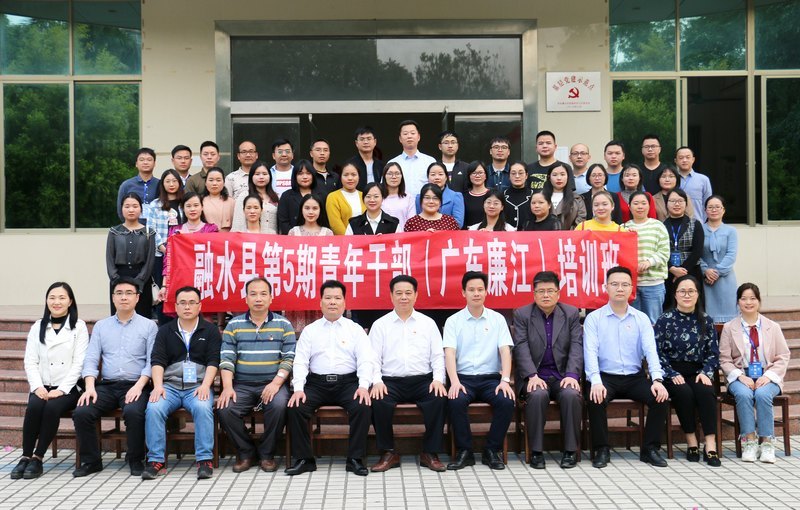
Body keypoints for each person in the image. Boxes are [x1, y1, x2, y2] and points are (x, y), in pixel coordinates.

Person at [285, 280, 375, 476]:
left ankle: (355, 459)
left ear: (344, 302)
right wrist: (298, 388)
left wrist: (363, 386)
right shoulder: (311, 330)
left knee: (362, 405)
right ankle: (305, 459)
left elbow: (365, 360)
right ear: (321, 302)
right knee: (296, 406)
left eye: (337, 298)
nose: (332, 302)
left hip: (348, 383)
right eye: (328, 298)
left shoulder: (355, 329)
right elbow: (301, 361)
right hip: (316, 384)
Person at [584, 266, 669, 469]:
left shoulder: (641, 318)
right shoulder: (594, 318)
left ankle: (650, 449)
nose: (620, 288)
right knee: (595, 398)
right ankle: (602, 449)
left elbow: (651, 351)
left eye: (624, 284)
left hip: (634, 377)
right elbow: (590, 352)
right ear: (606, 287)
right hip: (605, 377)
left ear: (632, 288)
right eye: (614, 284)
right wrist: (595, 381)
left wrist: (657, 379)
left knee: (660, 398)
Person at [72, 278, 157, 477]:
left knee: (134, 412)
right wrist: (89, 387)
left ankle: (135, 459)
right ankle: (92, 461)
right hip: (107, 386)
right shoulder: (102, 326)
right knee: (82, 412)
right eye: (119, 293)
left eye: (128, 293)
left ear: (137, 298)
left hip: (136, 384)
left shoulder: (149, 326)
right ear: (113, 298)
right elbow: (91, 359)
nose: (123, 297)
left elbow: (151, 362)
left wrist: (139, 386)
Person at [368, 275, 447, 472]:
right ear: (391, 296)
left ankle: (430, 452)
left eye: (408, 293)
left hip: (423, 380)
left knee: (438, 397)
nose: (403, 297)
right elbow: (372, 358)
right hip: (390, 381)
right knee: (378, 400)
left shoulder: (428, 323)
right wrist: (376, 381)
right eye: (399, 293)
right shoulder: (380, 325)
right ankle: (388, 452)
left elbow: (438, 355)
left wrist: (438, 379)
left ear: (416, 295)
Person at [217, 278, 296, 473]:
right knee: (225, 408)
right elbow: (227, 359)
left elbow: (288, 358)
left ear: (271, 298)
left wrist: (276, 383)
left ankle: (267, 454)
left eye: (263, 294)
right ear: (246, 298)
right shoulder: (234, 325)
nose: (258, 298)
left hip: (273, 383)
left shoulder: (283, 324)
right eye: (253, 294)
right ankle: (246, 452)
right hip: (242, 384)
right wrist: (227, 387)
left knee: (279, 405)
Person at [143, 286, 221, 480]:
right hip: (169, 386)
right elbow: (157, 361)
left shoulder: (210, 330)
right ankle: (156, 460)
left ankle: (204, 460)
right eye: (183, 303)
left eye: (192, 303)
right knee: (154, 408)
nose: (187, 307)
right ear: (175, 306)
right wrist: (158, 386)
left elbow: (213, 361)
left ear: (199, 306)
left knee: (203, 408)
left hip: (198, 385)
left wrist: (206, 386)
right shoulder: (165, 331)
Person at [13, 283, 89, 480]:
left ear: (70, 301)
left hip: (69, 388)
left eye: (62, 298)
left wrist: (61, 389)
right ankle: (25, 456)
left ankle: (38, 457)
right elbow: (30, 361)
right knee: (34, 407)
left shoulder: (79, 326)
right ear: (46, 301)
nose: (57, 302)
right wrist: (37, 386)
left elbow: (79, 363)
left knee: (52, 408)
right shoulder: (38, 326)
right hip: (42, 385)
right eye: (52, 297)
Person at [444, 271, 515, 471]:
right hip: (463, 379)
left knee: (506, 400)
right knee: (455, 400)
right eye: (471, 290)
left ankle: (491, 450)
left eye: (480, 289)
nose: (476, 293)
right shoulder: (453, 321)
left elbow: (505, 351)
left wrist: (505, 380)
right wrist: (454, 382)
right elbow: (449, 353)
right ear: (463, 292)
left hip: (491, 379)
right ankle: (465, 451)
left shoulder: (497, 319)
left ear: (486, 292)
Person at [512, 271, 582, 470]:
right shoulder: (523, 314)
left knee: (571, 394)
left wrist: (572, 375)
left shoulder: (570, 313)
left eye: (550, 291)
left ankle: (570, 451)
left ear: (558, 293)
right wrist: (531, 375)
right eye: (541, 291)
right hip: (535, 375)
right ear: (534, 294)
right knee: (538, 394)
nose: (545, 295)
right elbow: (521, 346)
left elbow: (576, 345)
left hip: (562, 375)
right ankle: (536, 452)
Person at [720, 282, 790, 463]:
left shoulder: (772, 327)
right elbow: (724, 359)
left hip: (768, 375)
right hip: (740, 375)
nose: (748, 302)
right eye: (744, 299)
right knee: (743, 394)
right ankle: (749, 442)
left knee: (762, 394)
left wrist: (768, 376)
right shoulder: (729, 327)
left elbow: (783, 356)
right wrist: (740, 376)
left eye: (752, 298)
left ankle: (766, 443)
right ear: (738, 302)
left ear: (759, 301)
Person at [654, 275, 721, 467]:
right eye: (682, 291)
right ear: (675, 295)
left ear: (698, 294)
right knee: (684, 393)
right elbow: (657, 352)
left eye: (691, 291)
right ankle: (691, 441)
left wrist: (706, 372)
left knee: (706, 392)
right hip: (672, 372)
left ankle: (710, 444)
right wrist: (671, 373)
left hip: (698, 371)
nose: (687, 295)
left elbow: (713, 352)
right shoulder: (665, 320)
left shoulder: (706, 320)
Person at [159, 192, 220, 303]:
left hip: (205, 280)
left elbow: (215, 257)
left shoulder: (211, 230)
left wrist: (187, 240)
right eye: (188, 206)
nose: (192, 209)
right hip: (181, 280)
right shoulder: (174, 231)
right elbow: (168, 260)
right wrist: (164, 285)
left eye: (196, 205)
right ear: (183, 208)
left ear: (202, 207)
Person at [143, 169, 184, 321]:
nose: (171, 184)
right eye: (168, 181)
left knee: (181, 287)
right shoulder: (155, 205)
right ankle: (164, 323)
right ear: (162, 184)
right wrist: (163, 248)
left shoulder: (184, 203)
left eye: (174, 181)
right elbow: (150, 229)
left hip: (183, 255)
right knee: (163, 289)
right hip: (161, 253)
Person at [107, 192, 156, 319]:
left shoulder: (148, 232)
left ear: (141, 209)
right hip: (119, 277)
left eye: (135, 206)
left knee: (142, 317)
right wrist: (116, 280)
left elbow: (150, 260)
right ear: (121, 208)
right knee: (119, 317)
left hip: (142, 279)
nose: (131, 210)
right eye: (127, 206)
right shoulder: (114, 232)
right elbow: (110, 259)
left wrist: (140, 281)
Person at [623, 191, 670, 324]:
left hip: (653, 284)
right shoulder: (623, 228)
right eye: (636, 203)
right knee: (632, 322)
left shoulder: (658, 226)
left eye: (644, 203)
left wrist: (649, 262)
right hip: (631, 285)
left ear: (649, 206)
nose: (640, 206)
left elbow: (664, 252)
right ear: (629, 206)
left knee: (654, 322)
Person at [663, 189, 704, 309]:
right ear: (666, 204)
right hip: (668, 272)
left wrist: (682, 271)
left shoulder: (695, 224)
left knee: (693, 306)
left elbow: (697, 251)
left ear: (686, 204)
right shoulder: (661, 225)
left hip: (692, 271)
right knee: (669, 306)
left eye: (680, 201)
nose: (676, 204)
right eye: (672, 201)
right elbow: (659, 251)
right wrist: (672, 269)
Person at [700, 195, 738, 324]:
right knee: (707, 319)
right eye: (710, 207)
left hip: (725, 279)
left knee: (729, 321)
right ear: (705, 210)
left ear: (723, 210)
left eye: (717, 207)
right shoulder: (699, 229)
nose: (714, 210)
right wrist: (705, 270)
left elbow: (731, 255)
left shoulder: (731, 231)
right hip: (705, 280)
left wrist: (715, 273)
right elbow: (696, 254)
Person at [388, 120, 436, 198]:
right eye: (405, 134)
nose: (409, 136)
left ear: (418, 137)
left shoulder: (430, 161)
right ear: (400, 139)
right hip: (400, 203)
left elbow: (437, 186)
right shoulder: (392, 163)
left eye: (413, 133)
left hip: (425, 203)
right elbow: (385, 187)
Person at [232, 161, 279, 234]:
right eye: (257, 174)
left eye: (264, 174)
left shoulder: (276, 197)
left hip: (271, 238)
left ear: (270, 176)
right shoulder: (244, 196)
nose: (261, 177)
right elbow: (238, 223)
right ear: (251, 177)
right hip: (249, 238)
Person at [277, 160, 323, 234]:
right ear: (295, 176)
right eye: (300, 174)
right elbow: (283, 222)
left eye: (308, 173)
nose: (305, 177)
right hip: (292, 238)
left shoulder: (322, 195)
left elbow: (324, 219)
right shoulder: (286, 196)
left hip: (317, 237)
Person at [415, 161, 465, 228]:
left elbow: (458, 223)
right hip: (424, 233)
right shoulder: (419, 198)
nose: (437, 177)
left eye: (440, 174)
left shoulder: (456, 196)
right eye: (433, 174)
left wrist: (437, 230)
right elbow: (417, 220)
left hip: (448, 233)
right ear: (428, 177)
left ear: (446, 177)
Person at [117, 147, 159, 224]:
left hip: (156, 227)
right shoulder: (126, 185)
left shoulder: (161, 184)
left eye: (149, 160)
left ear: (154, 163)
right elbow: (120, 211)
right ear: (136, 163)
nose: (145, 162)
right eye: (141, 160)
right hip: (133, 228)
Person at [675, 146, 713, 223]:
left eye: (688, 157)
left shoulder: (703, 179)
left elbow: (708, 203)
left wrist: (701, 221)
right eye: (681, 158)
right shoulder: (671, 179)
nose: (684, 160)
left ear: (693, 159)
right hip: (675, 223)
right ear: (676, 161)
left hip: (697, 223)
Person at [543, 163, 586, 230]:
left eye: (562, 174)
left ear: (568, 177)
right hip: (544, 235)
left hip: (570, 235)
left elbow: (581, 220)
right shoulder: (540, 197)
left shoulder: (577, 199)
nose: (559, 178)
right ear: (549, 177)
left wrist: (567, 234)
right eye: (555, 175)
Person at [326, 162, 365, 235]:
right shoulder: (333, 197)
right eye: (346, 175)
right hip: (344, 240)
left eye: (353, 175)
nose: (350, 178)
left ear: (359, 177)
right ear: (340, 177)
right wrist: (350, 239)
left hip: (365, 239)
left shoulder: (364, 196)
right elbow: (335, 224)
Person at [380, 162, 416, 232]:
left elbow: (411, 222)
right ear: (384, 176)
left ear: (401, 176)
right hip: (382, 236)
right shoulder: (378, 197)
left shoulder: (408, 198)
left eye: (397, 173)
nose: (394, 177)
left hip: (403, 236)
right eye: (390, 173)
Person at [347, 126, 383, 192]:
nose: (366, 142)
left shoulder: (380, 165)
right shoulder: (350, 164)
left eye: (369, 139)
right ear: (356, 143)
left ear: (375, 142)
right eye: (362, 139)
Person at [201, 167, 234, 232]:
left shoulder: (232, 202)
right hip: (206, 236)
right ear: (205, 183)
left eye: (218, 180)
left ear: (224, 183)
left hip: (228, 237)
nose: (214, 183)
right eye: (211, 180)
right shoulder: (200, 201)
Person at [460, 161, 489, 228]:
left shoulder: (492, 195)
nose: (477, 176)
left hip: (489, 232)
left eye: (480, 173)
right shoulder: (463, 197)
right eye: (474, 173)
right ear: (469, 176)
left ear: (485, 175)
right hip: (469, 232)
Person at [503, 162, 532, 229]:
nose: (517, 176)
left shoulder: (533, 195)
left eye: (521, 173)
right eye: (513, 173)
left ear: (526, 175)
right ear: (509, 176)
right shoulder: (502, 196)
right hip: (506, 234)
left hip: (528, 233)